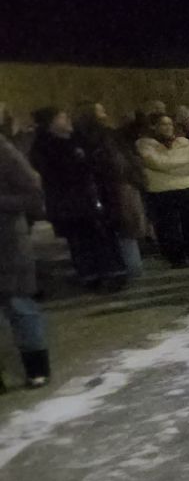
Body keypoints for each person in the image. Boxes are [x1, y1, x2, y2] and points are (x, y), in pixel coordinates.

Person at [29, 108, 127, 290]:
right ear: (51, 123)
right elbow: (55, 174)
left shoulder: (80, 140)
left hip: (93, 198)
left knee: (103, 236)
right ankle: (91, 276)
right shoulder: (44, 147)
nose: (67, 119)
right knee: (80, 241)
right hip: (69, 203)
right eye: (61, 117)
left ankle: (113, 272)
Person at [0, 131, 51, 390]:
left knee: (19, 305)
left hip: (6, 242)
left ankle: (36, 368)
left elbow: (31, 192)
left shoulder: (3, 151)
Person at [73, 102, 146, 279]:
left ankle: (127, 268)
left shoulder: (104, 136)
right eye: (101, 111)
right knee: (121, 228)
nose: (105, 114)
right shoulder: (97, 138)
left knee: (124, 228)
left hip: (115, 187)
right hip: (110, 189)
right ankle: (127, 268)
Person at [136, 112, 189, 266]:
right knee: (168, 226)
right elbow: (157, 162)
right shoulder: (145, 144)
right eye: (163, 124)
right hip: (162, 191)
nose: (168, 128)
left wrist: (171, 166)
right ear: (154, 126)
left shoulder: (184, 142)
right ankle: (177, 257)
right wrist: (182, 164)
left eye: (169, 124)